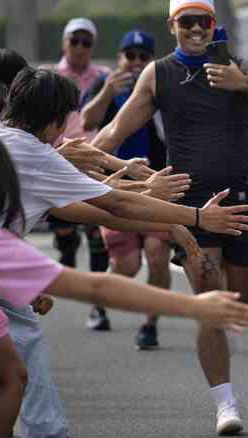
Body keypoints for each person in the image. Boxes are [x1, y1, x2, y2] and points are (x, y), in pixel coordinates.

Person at [0, 65, 248, 438]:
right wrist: (195, 217)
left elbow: (89, 207)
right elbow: (113, 208)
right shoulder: (39, 159)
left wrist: (141, 190)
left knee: (8, 373)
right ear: (56, 122)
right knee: (8, 375)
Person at [92, 0, 248, 435]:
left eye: (204, 21)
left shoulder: (239, 64)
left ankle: (220, 343)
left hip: (239, 200)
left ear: (214, 24)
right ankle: (225, 404)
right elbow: (115, 132)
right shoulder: (159, 73)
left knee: (238, 308)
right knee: (208, 302)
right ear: (172, 25)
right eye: (188, 22)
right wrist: (73, 163)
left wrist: (247, 85)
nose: (197, 29)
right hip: (190, 205)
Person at [80, 30, 174, 347]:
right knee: (128, 264)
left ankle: (150, 325)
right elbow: (88, 120)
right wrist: (107, 91)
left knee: (157, 254)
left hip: (155, 182)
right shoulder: (104, 83)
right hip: (114, 184)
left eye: (142, 57)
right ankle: (98, 301)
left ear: (151, 61)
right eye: (129, 55)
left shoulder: (161, 85)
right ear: (120, 57)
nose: (135, 63)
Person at [42, 17, 114, 325]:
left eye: (87, 42)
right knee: (67, 234)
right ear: (64, 43)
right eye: (75, 41)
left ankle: (97, 307)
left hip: (95, 158)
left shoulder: (103, 78)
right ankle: (67, 250)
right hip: (58, 161)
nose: (81, 47)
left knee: (98, 232)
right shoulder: (49, 78)